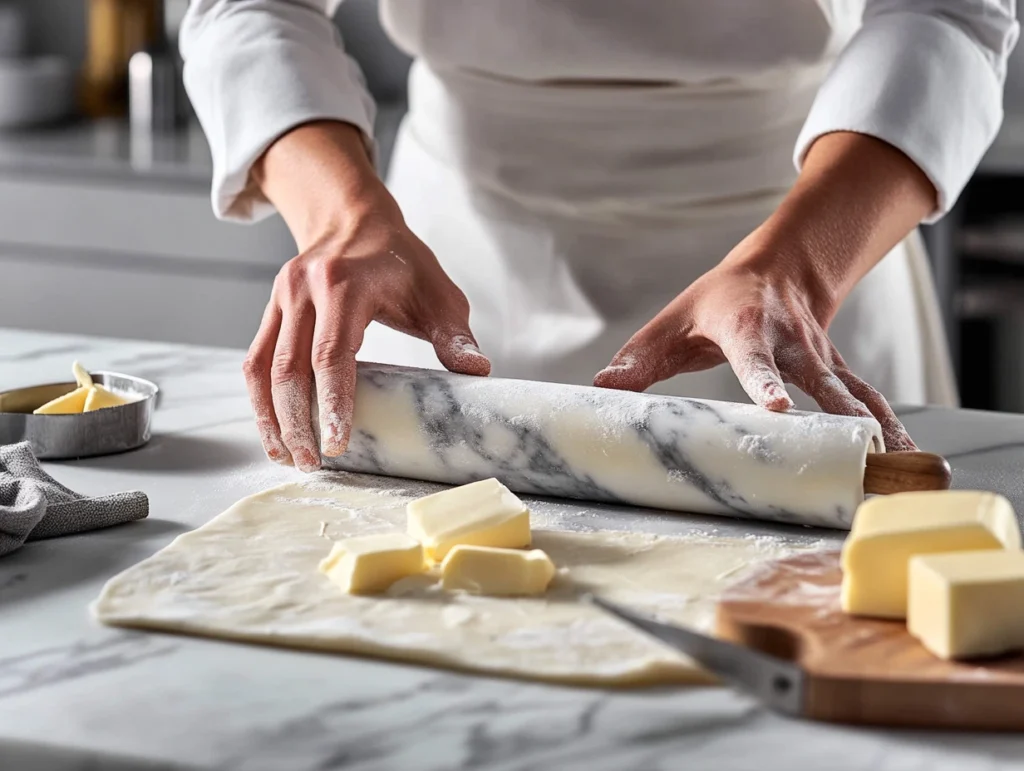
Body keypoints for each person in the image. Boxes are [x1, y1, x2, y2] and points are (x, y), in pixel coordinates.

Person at [181, 1, 1017, 472]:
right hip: (452, 263)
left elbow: (946, 13)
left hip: (799, 247)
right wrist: (341, 218)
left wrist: (799, 265)